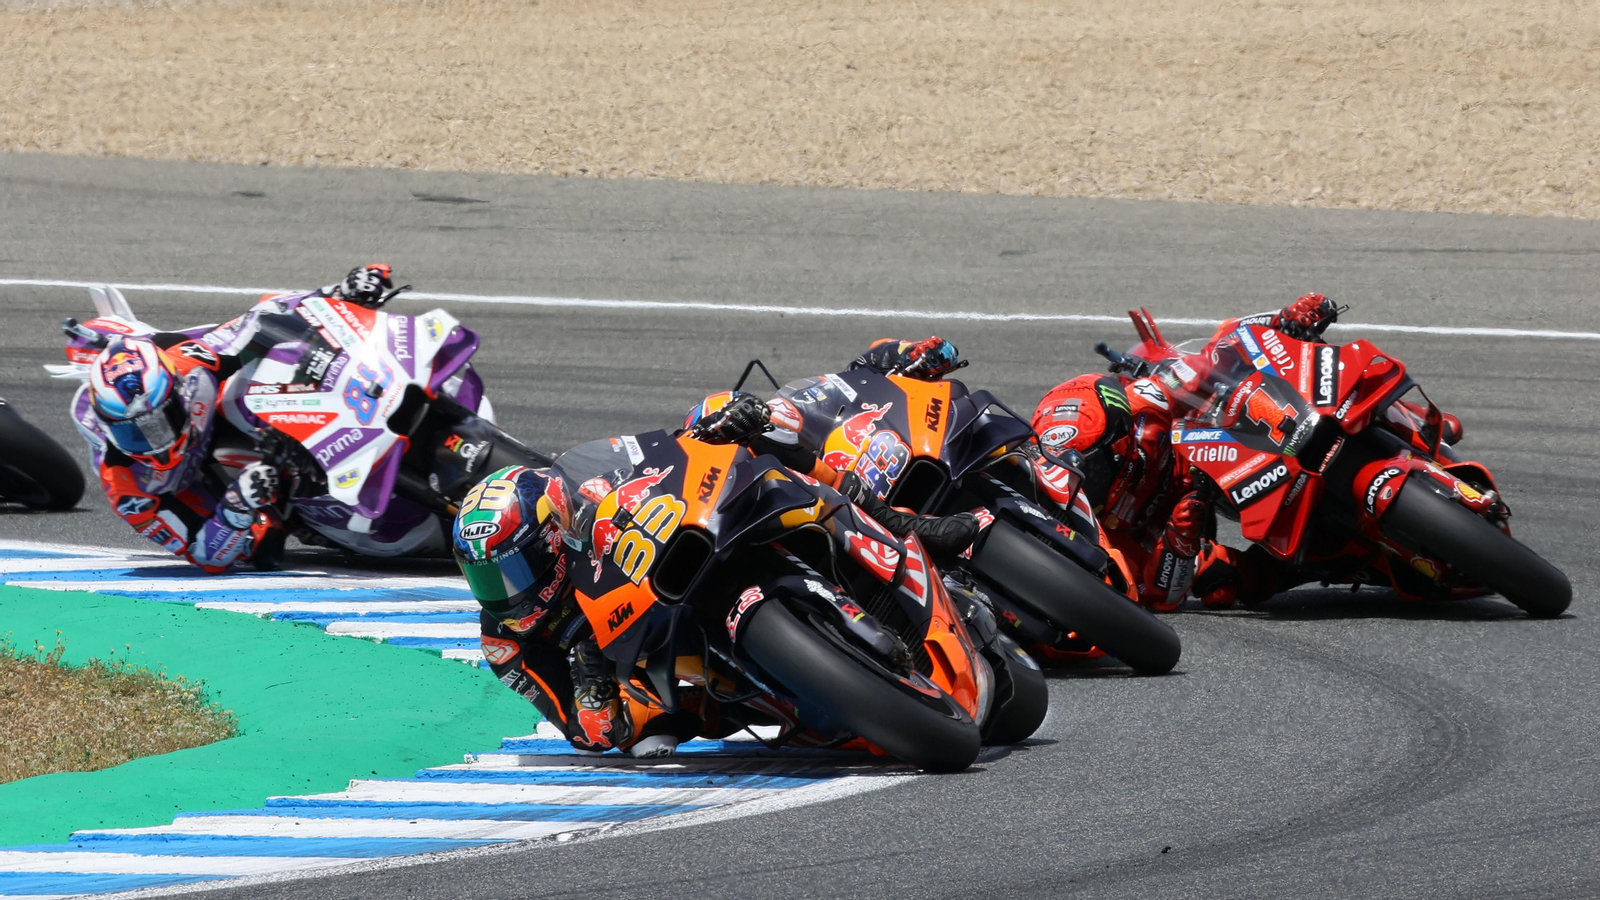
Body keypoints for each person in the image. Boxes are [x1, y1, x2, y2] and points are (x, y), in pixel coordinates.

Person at [73, 265, 405, 573]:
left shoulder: (190, 366)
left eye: (160, 423)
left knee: (274, 362)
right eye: (134, 435)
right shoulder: (128, 491)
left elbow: (260, 318)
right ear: (107, 428)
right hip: (195, 483)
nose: (154, 444)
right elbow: (203, 554)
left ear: (176, 394)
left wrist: (337, 293)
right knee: (263, 544)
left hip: (221, 416)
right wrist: (235, 507)